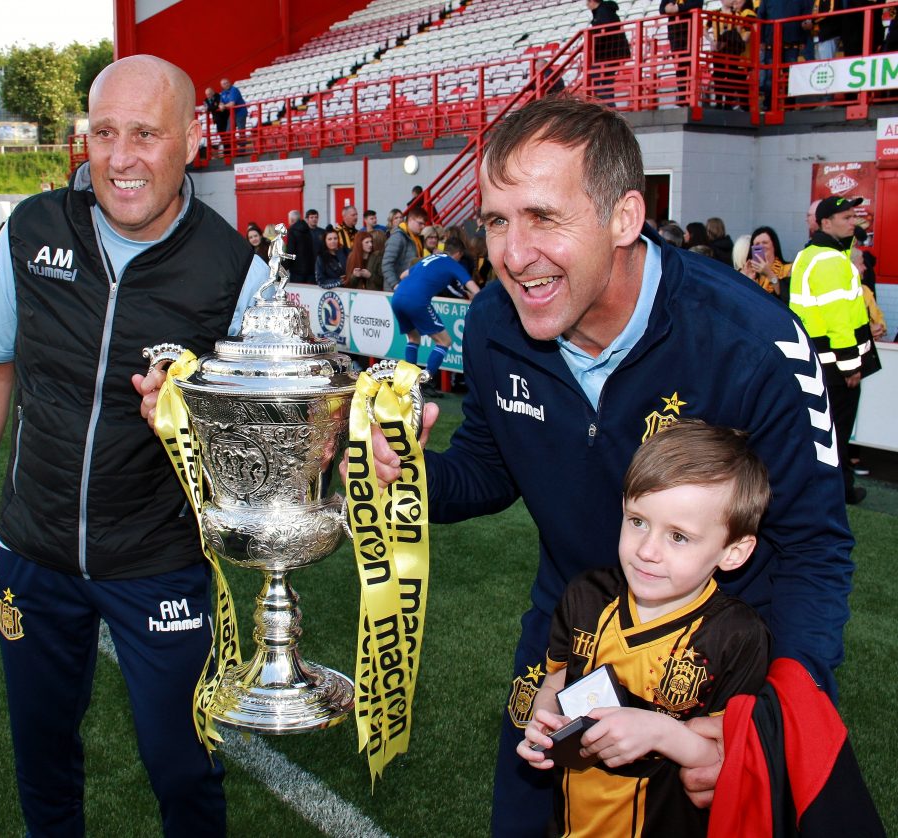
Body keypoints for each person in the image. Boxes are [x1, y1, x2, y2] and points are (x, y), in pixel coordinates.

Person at [353, 96, 853, 836]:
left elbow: (814, 543)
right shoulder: (495, 322)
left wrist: (773, 711)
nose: (514, 254)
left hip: (718, 665)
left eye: (544, 217)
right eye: (496, 221)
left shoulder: (754, 343)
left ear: (623, 218)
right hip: (568, 644)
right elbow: (490, 469)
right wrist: (409, 473)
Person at [0, 54, 269, 837]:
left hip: (159, 561)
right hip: (34, 549)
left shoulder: (238, 274)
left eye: (143, 134)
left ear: (192, 140)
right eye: (102, 132)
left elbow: (263, 446)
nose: (119, 158)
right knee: (42, 759)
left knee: (183, 767)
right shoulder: (31, 230)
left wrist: (197, 415)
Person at [518, 420, 771, 837]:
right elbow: (558, 680)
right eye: (637, 521)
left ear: (732, 551)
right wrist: (543, 722)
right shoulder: (586, 596)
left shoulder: (738, 637)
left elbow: (726, 756)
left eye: (678, 537)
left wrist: (660, 732)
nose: (647, 550)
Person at [789, 196, 880, 506]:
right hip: (836, 366)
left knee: (823, 432)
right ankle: (840, 491)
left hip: (818, 361)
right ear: (826, 223)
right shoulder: (829, 259)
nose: (852, 222)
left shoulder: (811, 254)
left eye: (853, 216)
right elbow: (839, 320)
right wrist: (851, 366)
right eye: (845, 217)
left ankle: (825, 489)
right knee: (838, 434)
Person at [390, 240, 479, 397]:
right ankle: (426, 381)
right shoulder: (452, 264)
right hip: (416, 299)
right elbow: (473, 287)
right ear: (458, 254)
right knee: (444, 341)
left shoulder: (429, 258)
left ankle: (410, 382)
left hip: (398, 296)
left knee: (413, 338)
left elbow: (403, 274)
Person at [586, 0, 630, 104]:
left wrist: (593, 43)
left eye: (588, 2)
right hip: (612, 52)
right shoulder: (606, 11)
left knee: (595, 79)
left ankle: (609, 106)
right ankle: (610, 107)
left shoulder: (603, 12)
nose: (587, 5)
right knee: (606, 81)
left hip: (607, 53)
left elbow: (603, 32)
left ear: (592, 1)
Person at [659, 0, 704, 96]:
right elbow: (661, 8)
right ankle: (683, 95)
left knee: (690, 63)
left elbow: (697, 3)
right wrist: (668, 8)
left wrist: (678, 8)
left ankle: (692, 94)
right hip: (675, 33)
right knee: (680, 65)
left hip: (691, 30)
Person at [740, 225, 790, 301]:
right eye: (757, 244)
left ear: (774, 246)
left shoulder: (788, 269)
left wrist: (769, 274)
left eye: (765, 243)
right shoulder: (748, 271)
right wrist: (745, 279)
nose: (761, 246)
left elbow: (787, 296)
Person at [382, 206, 426, 290]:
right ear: (410, 220)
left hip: (408, 288)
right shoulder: (398, 237)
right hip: (396, 291)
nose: (423, 226)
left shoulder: (417, 238)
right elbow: (386, 264)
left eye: (424, 223)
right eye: (420, 223)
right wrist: (395, 285)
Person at [286, 208, 316, 283]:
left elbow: (290, 252)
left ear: (292, 220)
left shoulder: (292, 231)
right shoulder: (308, 229)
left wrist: (283, 267)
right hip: (310, 270)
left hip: (297, 272)